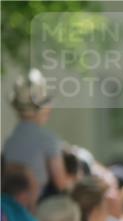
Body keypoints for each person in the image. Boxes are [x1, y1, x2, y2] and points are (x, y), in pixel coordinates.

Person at [2, 69, 72, 201]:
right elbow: (61, 183)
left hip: (10, 205)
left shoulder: (9, 141)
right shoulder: (48, 139)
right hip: (38, 206)